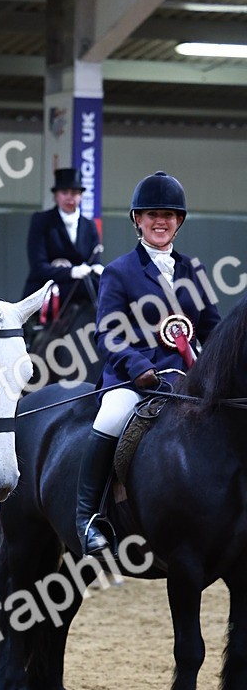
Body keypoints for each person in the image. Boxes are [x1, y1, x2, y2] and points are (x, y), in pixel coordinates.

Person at [75, 170, 221, 556]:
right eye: (153, 214)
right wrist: (136, 365)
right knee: (110, 418)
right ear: (137, 219)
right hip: (133, 379)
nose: (161, 221)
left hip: (187, 379)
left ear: (179, 222)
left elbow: (213, 329)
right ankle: (88, 517)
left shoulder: (194, 271)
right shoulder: (119, 272)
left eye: (170, 215)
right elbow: (107, 334)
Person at [21, 166, 103, 319]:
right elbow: (38, 267)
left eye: (74, 193)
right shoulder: (41, 220)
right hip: (48, 287)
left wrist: (97, 268)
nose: (69, 198)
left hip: (82, 289)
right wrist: (71, 272)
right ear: (56, 196)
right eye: (65, 193)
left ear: (81, 196)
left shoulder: (89, 225)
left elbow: (94, 260)